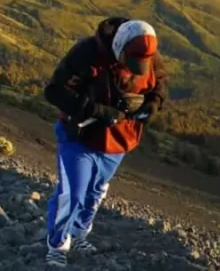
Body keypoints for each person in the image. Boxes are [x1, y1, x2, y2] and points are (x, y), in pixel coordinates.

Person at [43, 18, 168, 268]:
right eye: (130, 61)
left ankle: (78, 233)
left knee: (96, 192)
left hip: (119, 140)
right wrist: (96, 110)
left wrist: (153, 104)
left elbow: (160, 83)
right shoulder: (87, 53)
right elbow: (54, 91)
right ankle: (57, 245)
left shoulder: (149, 56)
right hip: (79, 136)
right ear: (119, 46)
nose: (135, 68)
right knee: (73, 193)